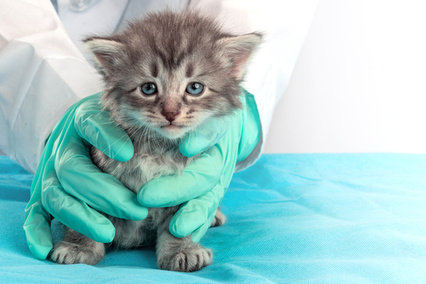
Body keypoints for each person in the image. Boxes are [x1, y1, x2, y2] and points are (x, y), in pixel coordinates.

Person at [0, 0, 317, 260]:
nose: (171, 110)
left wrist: (244, 121)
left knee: (189, 194)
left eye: (193, 88)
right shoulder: (112, 141)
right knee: (86, 183)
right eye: (150, 88)